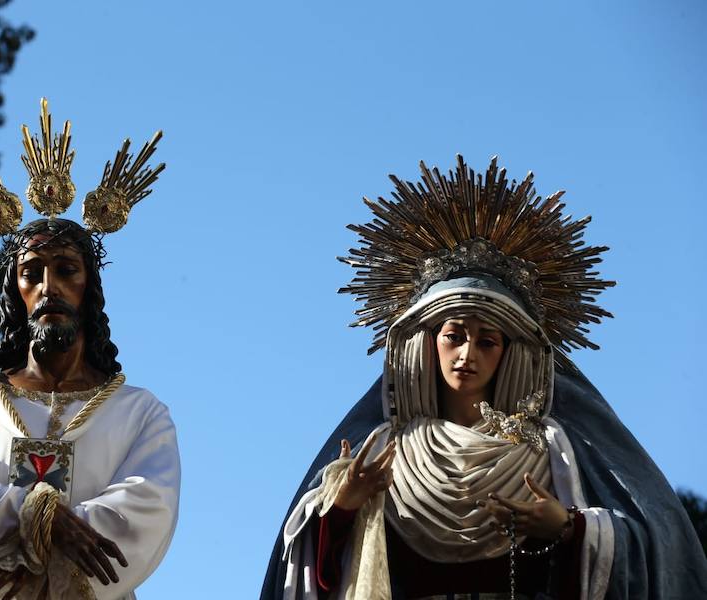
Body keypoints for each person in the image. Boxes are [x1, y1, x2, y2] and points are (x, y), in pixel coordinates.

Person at [261, 157, 707, 599]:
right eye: (453, 336)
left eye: (487, 341)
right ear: (426, 343)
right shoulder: (382, 453)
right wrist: (341, 508)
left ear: (511, 354)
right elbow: (302, 569)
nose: (467, 354)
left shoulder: (553, 452)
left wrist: (570, 528)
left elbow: (655, 546)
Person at [0, 100, 179, 600]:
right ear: (15, 291)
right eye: (31, 273)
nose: (48, 285)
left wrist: (41, 549)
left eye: (65, 269)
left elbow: (149, 500)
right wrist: (36, 514)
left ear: (90, 287)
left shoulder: (140, 412)